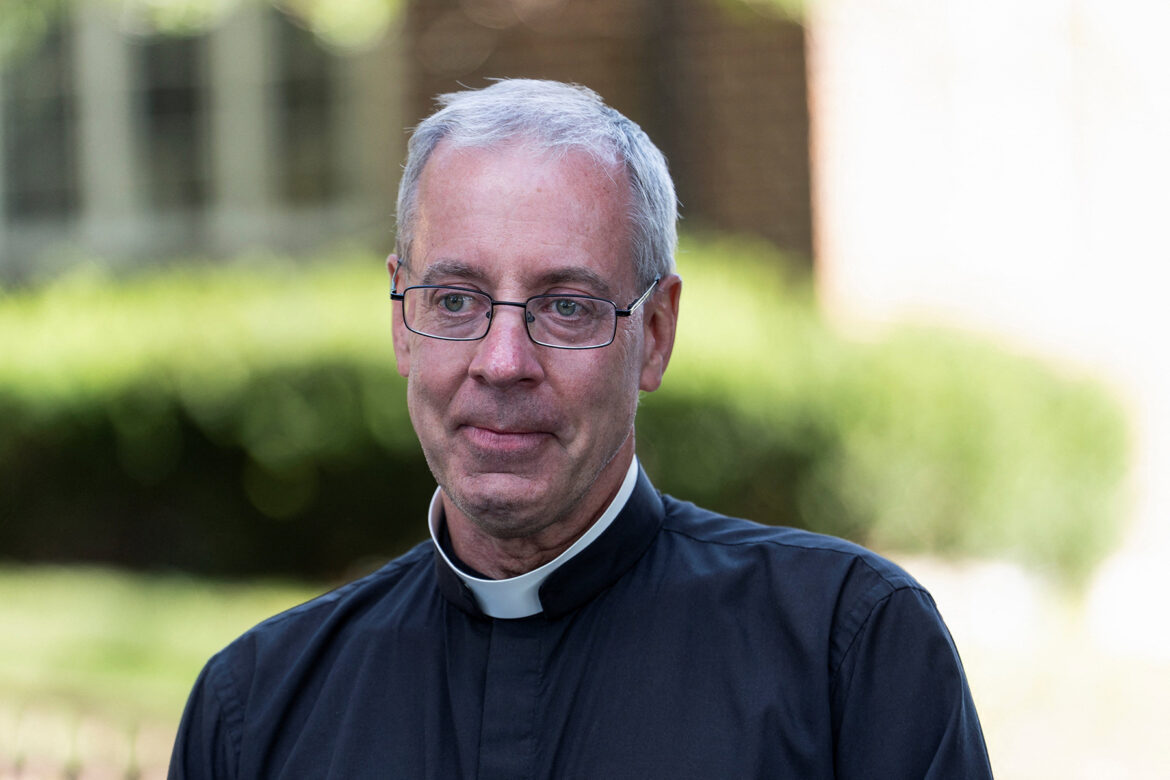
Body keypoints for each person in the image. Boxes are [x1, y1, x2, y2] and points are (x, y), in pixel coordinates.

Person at [169, 79, 993, 779]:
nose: (501, 361)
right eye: (454, 300)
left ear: (656, 334)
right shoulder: (256, 713)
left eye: (566, 307)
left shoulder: (846, 652)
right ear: (400, 321)